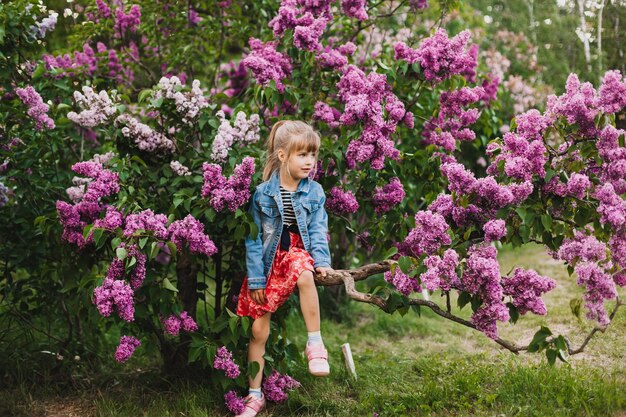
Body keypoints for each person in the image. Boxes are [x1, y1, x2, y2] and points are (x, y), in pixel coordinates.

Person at [234, 120, 333, 417]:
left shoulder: (314, 192)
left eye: (312, 155)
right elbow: (253, 239)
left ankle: (315, 344)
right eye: (302, 155)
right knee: (258, 331)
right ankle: (255, 395)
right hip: (267, 264)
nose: (309, 162)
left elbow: (318, 230)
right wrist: (255, 279)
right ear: (282, 156)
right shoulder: (263, 194)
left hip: (296, 255)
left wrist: (323, 263)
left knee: (305, 274)